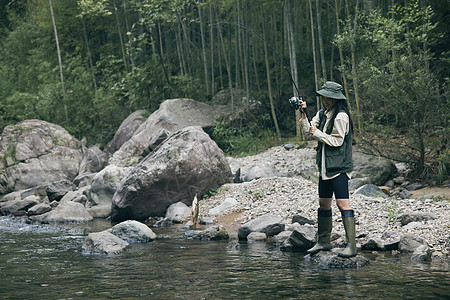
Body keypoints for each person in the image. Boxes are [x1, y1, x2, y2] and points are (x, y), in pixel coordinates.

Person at [299, 81, 356, 258]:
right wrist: (303, 114)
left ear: (336, 99)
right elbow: (308, 130)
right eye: (324, 97)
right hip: (325, 167)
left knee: (342, 204)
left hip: (339, 168)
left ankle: (351, 246)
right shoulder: (323, 113)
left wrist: (317, 133)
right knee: (324, 204)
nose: (325, 100)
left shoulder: (341, 116)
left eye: (328, 97)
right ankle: (324, 241)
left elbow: (337, 141)